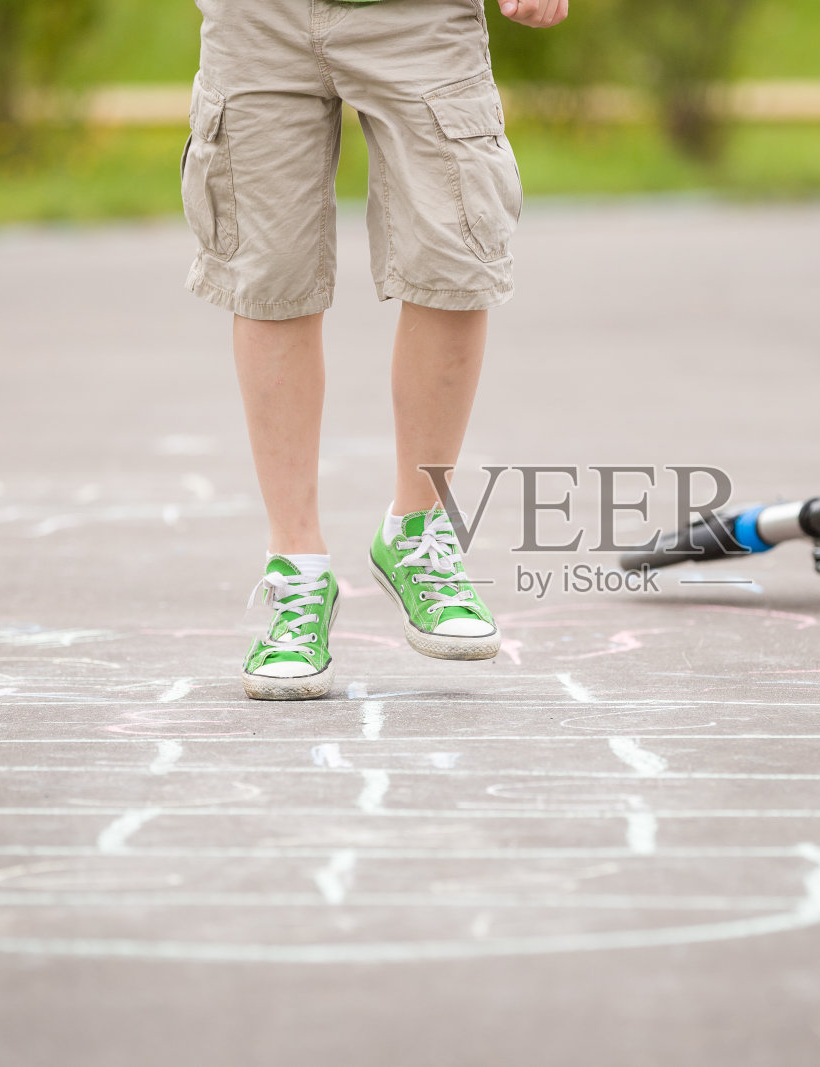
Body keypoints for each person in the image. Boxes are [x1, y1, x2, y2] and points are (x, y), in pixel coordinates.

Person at [181, 0, 569, 700]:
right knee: (269, 274)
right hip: (258, 17)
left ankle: (417, 532)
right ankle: (296, 570)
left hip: (417, 15)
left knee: (457, 252)